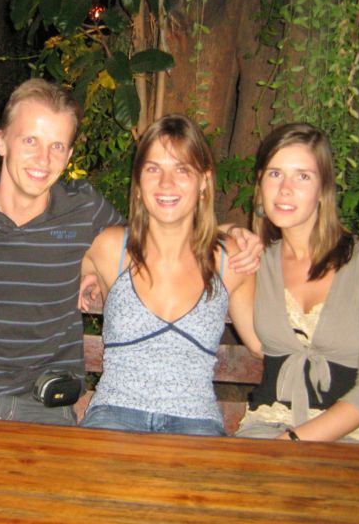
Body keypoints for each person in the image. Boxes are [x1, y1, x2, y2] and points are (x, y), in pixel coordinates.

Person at [0, 80, 263, 426]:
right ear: (0, 141)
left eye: (57, 146)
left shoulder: (85, 210)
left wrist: (225, 232)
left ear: (69, 155)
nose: (43, 158)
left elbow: (159, 231)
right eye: (30, 141)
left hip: (45, 404)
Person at [77, 115, 260, 436]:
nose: (166, 183)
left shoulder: (229, 259)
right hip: (114, 414)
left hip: (196, 422)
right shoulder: (108, 248)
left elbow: (263, 344)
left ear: (204, 180)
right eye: (153, 169)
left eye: (182, 169)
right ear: (138, 182)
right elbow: (39, 274)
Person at [235, 123, 359, 443]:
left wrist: (294, 441)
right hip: (266, 425)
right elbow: (198, 239)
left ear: (324, 187)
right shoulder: (257, 262)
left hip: (352, 434)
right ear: (260, 182)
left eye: (303, 176)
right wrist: (230, 232)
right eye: (275, 174)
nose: (285, 189)